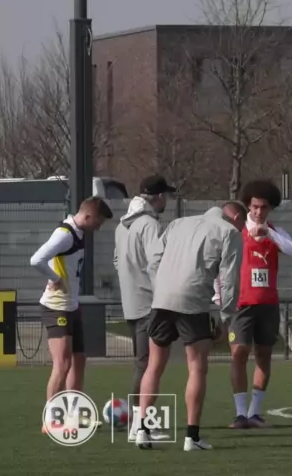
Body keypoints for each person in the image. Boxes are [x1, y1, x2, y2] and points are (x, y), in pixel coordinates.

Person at [134, 203, 244, 451]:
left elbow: (153, 261)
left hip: (161, 300)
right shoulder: (230, 232)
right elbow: (229, 279)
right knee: (197, 368)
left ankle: (142, 430)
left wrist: (162, 287)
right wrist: (225, 316)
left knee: (154, 365)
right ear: (236, 217)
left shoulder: (178, 223)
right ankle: (191, 437)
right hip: (194, 302)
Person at [213, 181, 292, 429]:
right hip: (241, 304)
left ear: (270, 208)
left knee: (264, 355)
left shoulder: (276, 232)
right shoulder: (235, 233)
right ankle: (240, 414)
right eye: (254, 207)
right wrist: (218, 298)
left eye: (263, 207)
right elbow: (219, 265)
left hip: (268, 304)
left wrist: (269, 234)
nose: (259, 212)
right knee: (239, 353)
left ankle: (254, 412)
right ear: (247, 206)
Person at [30, 196, 113, 433]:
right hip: (56, 307)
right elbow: (36, 259)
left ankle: (74, 415)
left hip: (71, 307)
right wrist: (55, 279)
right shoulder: (64, 234)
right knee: (63, 363)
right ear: (87, 216)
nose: (98, 228)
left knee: (79, 361)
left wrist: (75, 301)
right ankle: (50, 419)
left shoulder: (78, 234)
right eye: (98, 222)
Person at [114, 175, 176, 441]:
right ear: (159, 197)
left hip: (130, 302)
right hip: (149, 303)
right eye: (166, 196)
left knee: (142, 363)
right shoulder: (149, 224)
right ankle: (140, 425)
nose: (167, 201)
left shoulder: (121, 226)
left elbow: (117, 261)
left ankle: (137, 423)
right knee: (148, 366)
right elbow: (156, 262)